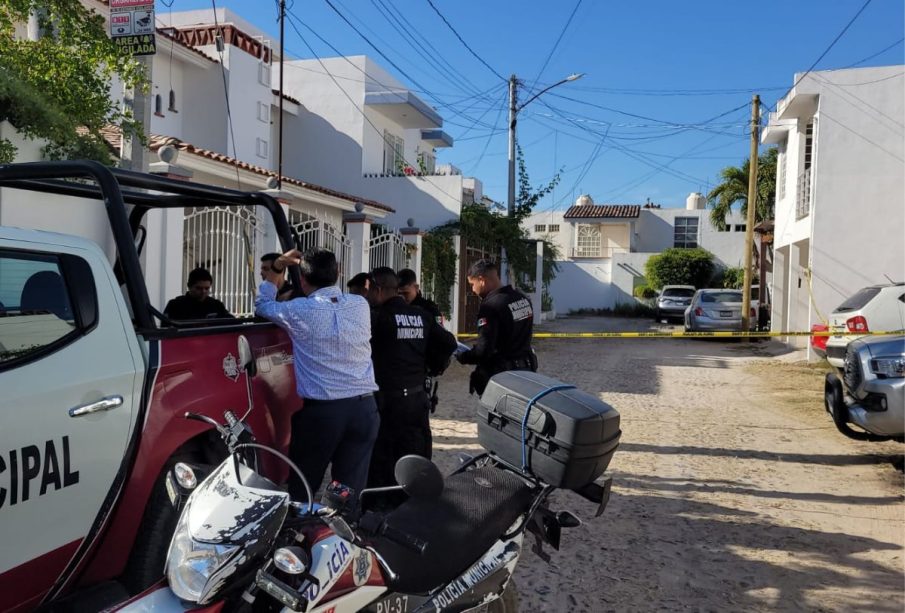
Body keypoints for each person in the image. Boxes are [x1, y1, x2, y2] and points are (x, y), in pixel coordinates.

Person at [255, 248, 379, 504]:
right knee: (348, 491)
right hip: (364, 408)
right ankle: (344, 535)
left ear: (302, 279)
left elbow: (263, 305)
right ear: (338, 274)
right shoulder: (359, 305)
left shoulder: (298, 310)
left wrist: (276, 268)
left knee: (304, 486)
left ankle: (302, 535)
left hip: (323, 413)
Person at [366, 267, 456, 493]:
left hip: (388, 400)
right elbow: (449, 343)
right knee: (416, 452)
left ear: (378, 289)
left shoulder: (379, 318)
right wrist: (431, 367)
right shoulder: (421, 315)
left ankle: (383, 504)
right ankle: (415, 499)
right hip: (417, 398)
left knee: (384, 456)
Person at [456, 259, 536, 396]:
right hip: (526, 371)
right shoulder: (522, 298)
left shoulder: (491, 306)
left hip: (502, 379)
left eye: (472, 284)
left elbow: (483, 351)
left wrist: (463, 356)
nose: (473, 290)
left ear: (481, 280)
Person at [164, 267, 232, 320]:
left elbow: (232, 323)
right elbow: (166, 330)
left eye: (207, 288)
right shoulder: (175, 306)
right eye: (199, 288)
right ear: (189, 286)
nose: (203, 291)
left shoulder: (217, 306)